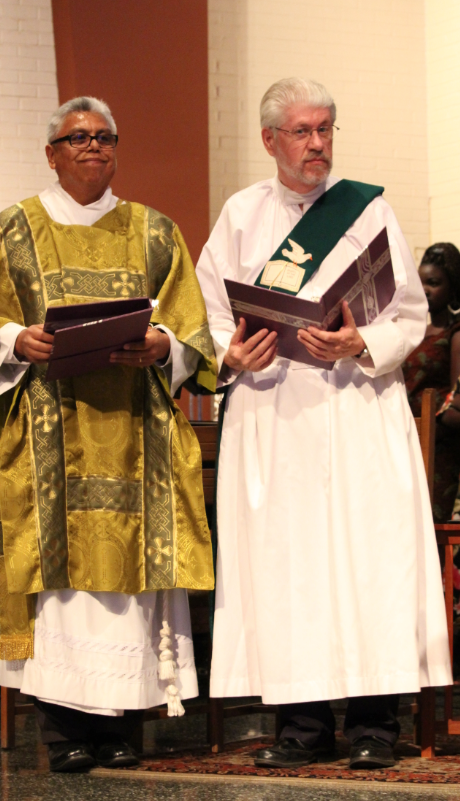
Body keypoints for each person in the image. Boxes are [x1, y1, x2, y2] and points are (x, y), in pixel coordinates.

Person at [0, 96, 217, 772]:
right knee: (61, 590)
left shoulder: (153, 232)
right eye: (77, 137)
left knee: (126, 587)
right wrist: (14, 338)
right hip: (50, 435)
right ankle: (64, 731)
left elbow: (193, 332)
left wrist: (161, 343)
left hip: (132, 434)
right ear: (50, 152)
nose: (93, 146)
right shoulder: (13, 230)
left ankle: (122, 728)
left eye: (104, 136)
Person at [196, 77, 451, 770]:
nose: (317, 144)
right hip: (274, 409)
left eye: (326, 129)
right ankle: (300, 725)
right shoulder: (241, 215)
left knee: (368, 561)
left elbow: (407, 314)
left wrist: (359, 342)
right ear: (269, 139)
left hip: (353, 408)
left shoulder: (368, 212)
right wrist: (229, 352)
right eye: (303, 132)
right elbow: (211, 313)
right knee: (289, 567)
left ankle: (374, 722)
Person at [402, 243, 460, 521]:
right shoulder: (412, 332)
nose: (424, 289)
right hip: (405, 440)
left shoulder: (455, 332)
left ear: (452, 286)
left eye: (434, 283)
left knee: (430, 527)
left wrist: (428, 426)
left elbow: (456, 402)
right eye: (420, 281)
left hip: (439, 448)